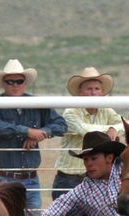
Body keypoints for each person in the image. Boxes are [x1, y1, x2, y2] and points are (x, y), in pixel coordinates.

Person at [0, 59, 67, 216]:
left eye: (19, 81)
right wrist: (27, 131)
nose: (15, 85)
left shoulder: (36, 102)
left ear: (25, 83)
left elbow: (61, 125)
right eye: (10, 81)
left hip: (30, 178)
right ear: (4, 83)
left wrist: (42, 133)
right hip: (3, 178)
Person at [51, 67, 124, 200]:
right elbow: (85, 130)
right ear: (80, 92)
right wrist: (111, 128)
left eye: (97, 89)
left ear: (102, 93)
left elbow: (127, 123)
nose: (93, 93)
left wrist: (114, 128)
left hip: (95, 178)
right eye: (89, 89)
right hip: (69, 178)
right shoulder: (70, 112)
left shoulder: (105, 110)